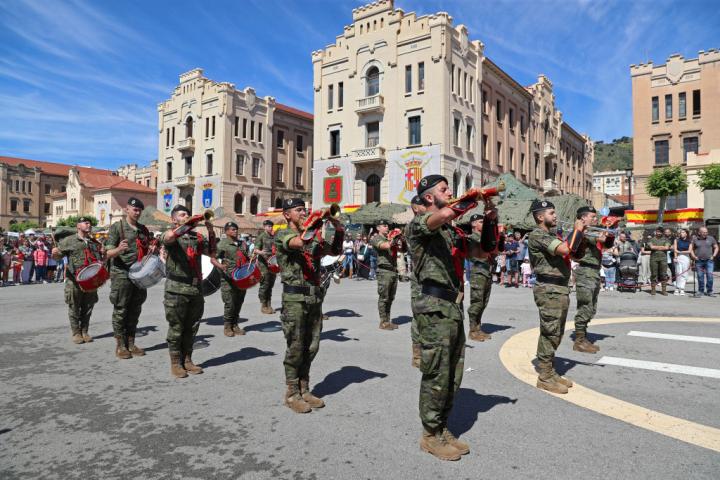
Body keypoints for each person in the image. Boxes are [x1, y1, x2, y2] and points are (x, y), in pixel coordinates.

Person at [407, 174, 478, 461]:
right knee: (436, 373)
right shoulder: (418, 225)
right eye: (444, 189)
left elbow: (482, 251)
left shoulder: (449, 230)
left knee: (452, 373)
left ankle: (442, 426)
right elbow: (442, 216)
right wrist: (468, 201)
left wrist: (491, 216)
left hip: (452, 307)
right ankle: (429, 434)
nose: (450, 192)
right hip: (433, 308)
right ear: (428, 198)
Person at [275, 198, 344, 413]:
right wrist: (315, 222)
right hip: (294, 299)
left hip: (314, 298)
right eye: (298, 210)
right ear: (287, 215)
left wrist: (338, 228)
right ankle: (292, 393)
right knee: (295, 347)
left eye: (305, 209)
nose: (303, 212)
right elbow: (299, 242)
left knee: (312, 346)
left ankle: (304, 388)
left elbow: (334, 251)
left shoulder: (313, 238)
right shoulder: (282, 234)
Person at [528, 199, 583, 394]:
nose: (556, 216)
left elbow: (573, 253)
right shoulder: (537, 235)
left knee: (556, 332)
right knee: (550, 331)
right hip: (549, 289)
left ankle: (550, 371)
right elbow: (565, 249)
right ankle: (544, 376)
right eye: (551, 213)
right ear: (540, 217)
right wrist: (577, 229)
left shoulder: (550, 235)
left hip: (558, 288)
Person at [161, 205, 215, 379]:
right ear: (174, 219)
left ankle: (188, 359)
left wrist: (210, 230)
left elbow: (212, 252)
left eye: (188, 214)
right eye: (183, 215)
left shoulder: (197, 237)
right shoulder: (170, 233)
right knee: (177, 328)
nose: (187, 216)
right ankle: (176, 363)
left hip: (195, 288)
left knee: (192, 327)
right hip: (176, 288)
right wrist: (186, 225)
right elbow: (169, 238)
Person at [105, 197, 154, 360]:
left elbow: (147, 250)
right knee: (121, 309)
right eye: (135, 209)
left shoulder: (143, 229)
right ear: (127, 209)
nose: (137, 212)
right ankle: (120, 345)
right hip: (122, 273)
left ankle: (131, 343)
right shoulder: (117, 227)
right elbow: (107, 253)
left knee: (135, 309)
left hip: (140, 274)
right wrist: (118, 249)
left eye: (140, 210)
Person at [51, 217, 104, 344]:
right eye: (85, 223)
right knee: (74, 306)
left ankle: (84, 331)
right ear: (78, 226)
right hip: (74, 280)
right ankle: (76, 333)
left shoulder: (93, 242)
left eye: (89, 223)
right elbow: (58, 256)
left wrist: (102, 252)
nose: (89, 225)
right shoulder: (69, 240)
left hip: (89, 280)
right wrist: (55, 253)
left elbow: (99, 259)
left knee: (88, 306)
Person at [572, 206, 613, 354]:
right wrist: (608, 229)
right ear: (583, 218)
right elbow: (602, 239)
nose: (595, 219)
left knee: (591, 308)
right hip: (586, 271)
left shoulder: (592, 230)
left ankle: (583, 337)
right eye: (592, 217)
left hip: (594, 271)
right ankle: (579, 340)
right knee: (585, 307)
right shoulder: (584, 231)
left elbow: (607, 244)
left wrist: (610, 230)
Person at [215, 221, 249, 336]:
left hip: (241, 278)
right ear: (226, 231)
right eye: (232, 229)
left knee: (239, 302)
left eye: (236, 229)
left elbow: (247, 258)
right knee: (230, 303)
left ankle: (235, 324)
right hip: (228, 279)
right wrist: (220, 266)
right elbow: (213, 258)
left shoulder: (242, 243)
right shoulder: (222, 244)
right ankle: (227, 326)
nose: (235, 231)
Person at [370, 220, 404, 330]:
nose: (387, 227)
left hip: (393, 270)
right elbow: (384, 246)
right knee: (384, 297)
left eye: (387, 225)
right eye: (384, 226)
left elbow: (403, 250)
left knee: (390, 298)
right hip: (384, 271)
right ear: (378, 228)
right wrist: (394, 237)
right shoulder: (376, 238)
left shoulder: (389, 237)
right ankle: (383, 322)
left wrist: (401, 239)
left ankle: (387, 321)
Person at [406, 195, 426, 368]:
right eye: (424, 204)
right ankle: (417, 354)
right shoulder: (414, 226)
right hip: (419, 279)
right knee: (419, 316)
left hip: (433, 280)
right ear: (415, 208)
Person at [466, 213, 493, 342]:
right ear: (473, 224)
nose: (484, 224)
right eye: (481, 222)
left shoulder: (483, 237)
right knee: (476, 303)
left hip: (487, 272)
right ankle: (472, 330)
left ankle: (478, 328)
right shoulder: (472, 237)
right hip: (478, 273)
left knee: (483, 303)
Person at [255, 219, 277, 314]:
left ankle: (269, 304)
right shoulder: (261, 236)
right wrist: (261, 252)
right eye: (268, 226)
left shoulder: (273, 237)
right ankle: (263, 305)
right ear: (264, 227)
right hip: (263, 264)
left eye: (271, 226)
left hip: (272, 263)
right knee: (265, 284)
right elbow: (255, 250)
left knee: (271, 284)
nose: (270, 228)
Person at [690, 226, 718, 297]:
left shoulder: (711, 238)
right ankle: (700, 291)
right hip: (699, 261)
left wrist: (713, 256)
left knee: (710, 276)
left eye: (706, 232)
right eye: (704, 232)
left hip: (709, 260)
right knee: (700, 277)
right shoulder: (695, 239)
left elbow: (716, 247)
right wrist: (693, 256)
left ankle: (709, 291)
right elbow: (691, 249)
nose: (706, 233)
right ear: (699, 233)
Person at [646, 227, 671, 296]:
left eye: (660, 232)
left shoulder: (666, 239)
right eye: (657, 231)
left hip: (663, 259)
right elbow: (651, 247)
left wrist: (656, 247)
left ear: (662, 232)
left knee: (663, 274)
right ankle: (653, 289)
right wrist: (661, 247)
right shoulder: (651, 239)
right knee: (654, 274)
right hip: (654, 259)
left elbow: (666, 247)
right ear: (655, 232)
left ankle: (664, 290)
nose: (659, 233)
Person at [673, 229, 691, 296]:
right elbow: (675, 250)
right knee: (678, 273)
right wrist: (675, 257)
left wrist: (680, 251)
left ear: (686, 233)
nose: (681, 233)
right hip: (679, 257)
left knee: (684, 273)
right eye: (680, 232)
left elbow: (689, 251)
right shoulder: (676, 240)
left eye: (683, 232)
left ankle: (682, 288)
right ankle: (677, 288)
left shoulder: (689, 241)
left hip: (686, 258)